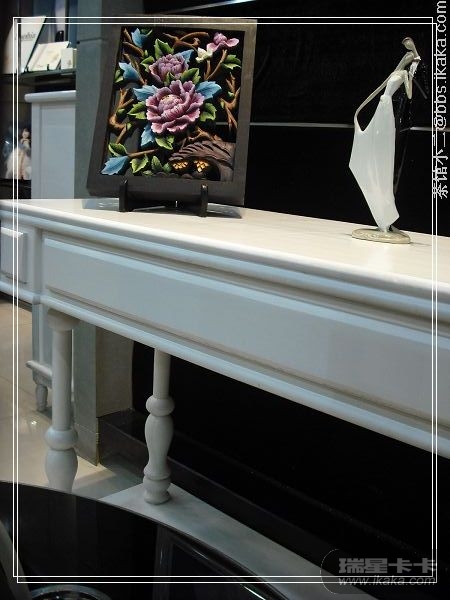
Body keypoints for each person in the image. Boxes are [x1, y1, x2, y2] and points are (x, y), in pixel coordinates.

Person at [349, 38, 421, 236]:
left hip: (388, 110)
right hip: (382, 106)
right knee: (375, 143)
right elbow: (379, 89)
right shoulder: (396, 72)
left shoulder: (404, 74)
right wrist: (358, 111)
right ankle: (383, 219)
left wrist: (412, 68)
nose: (406, 57)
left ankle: (386, 220)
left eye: (408, 55)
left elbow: (409, 94)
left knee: (384, 151)